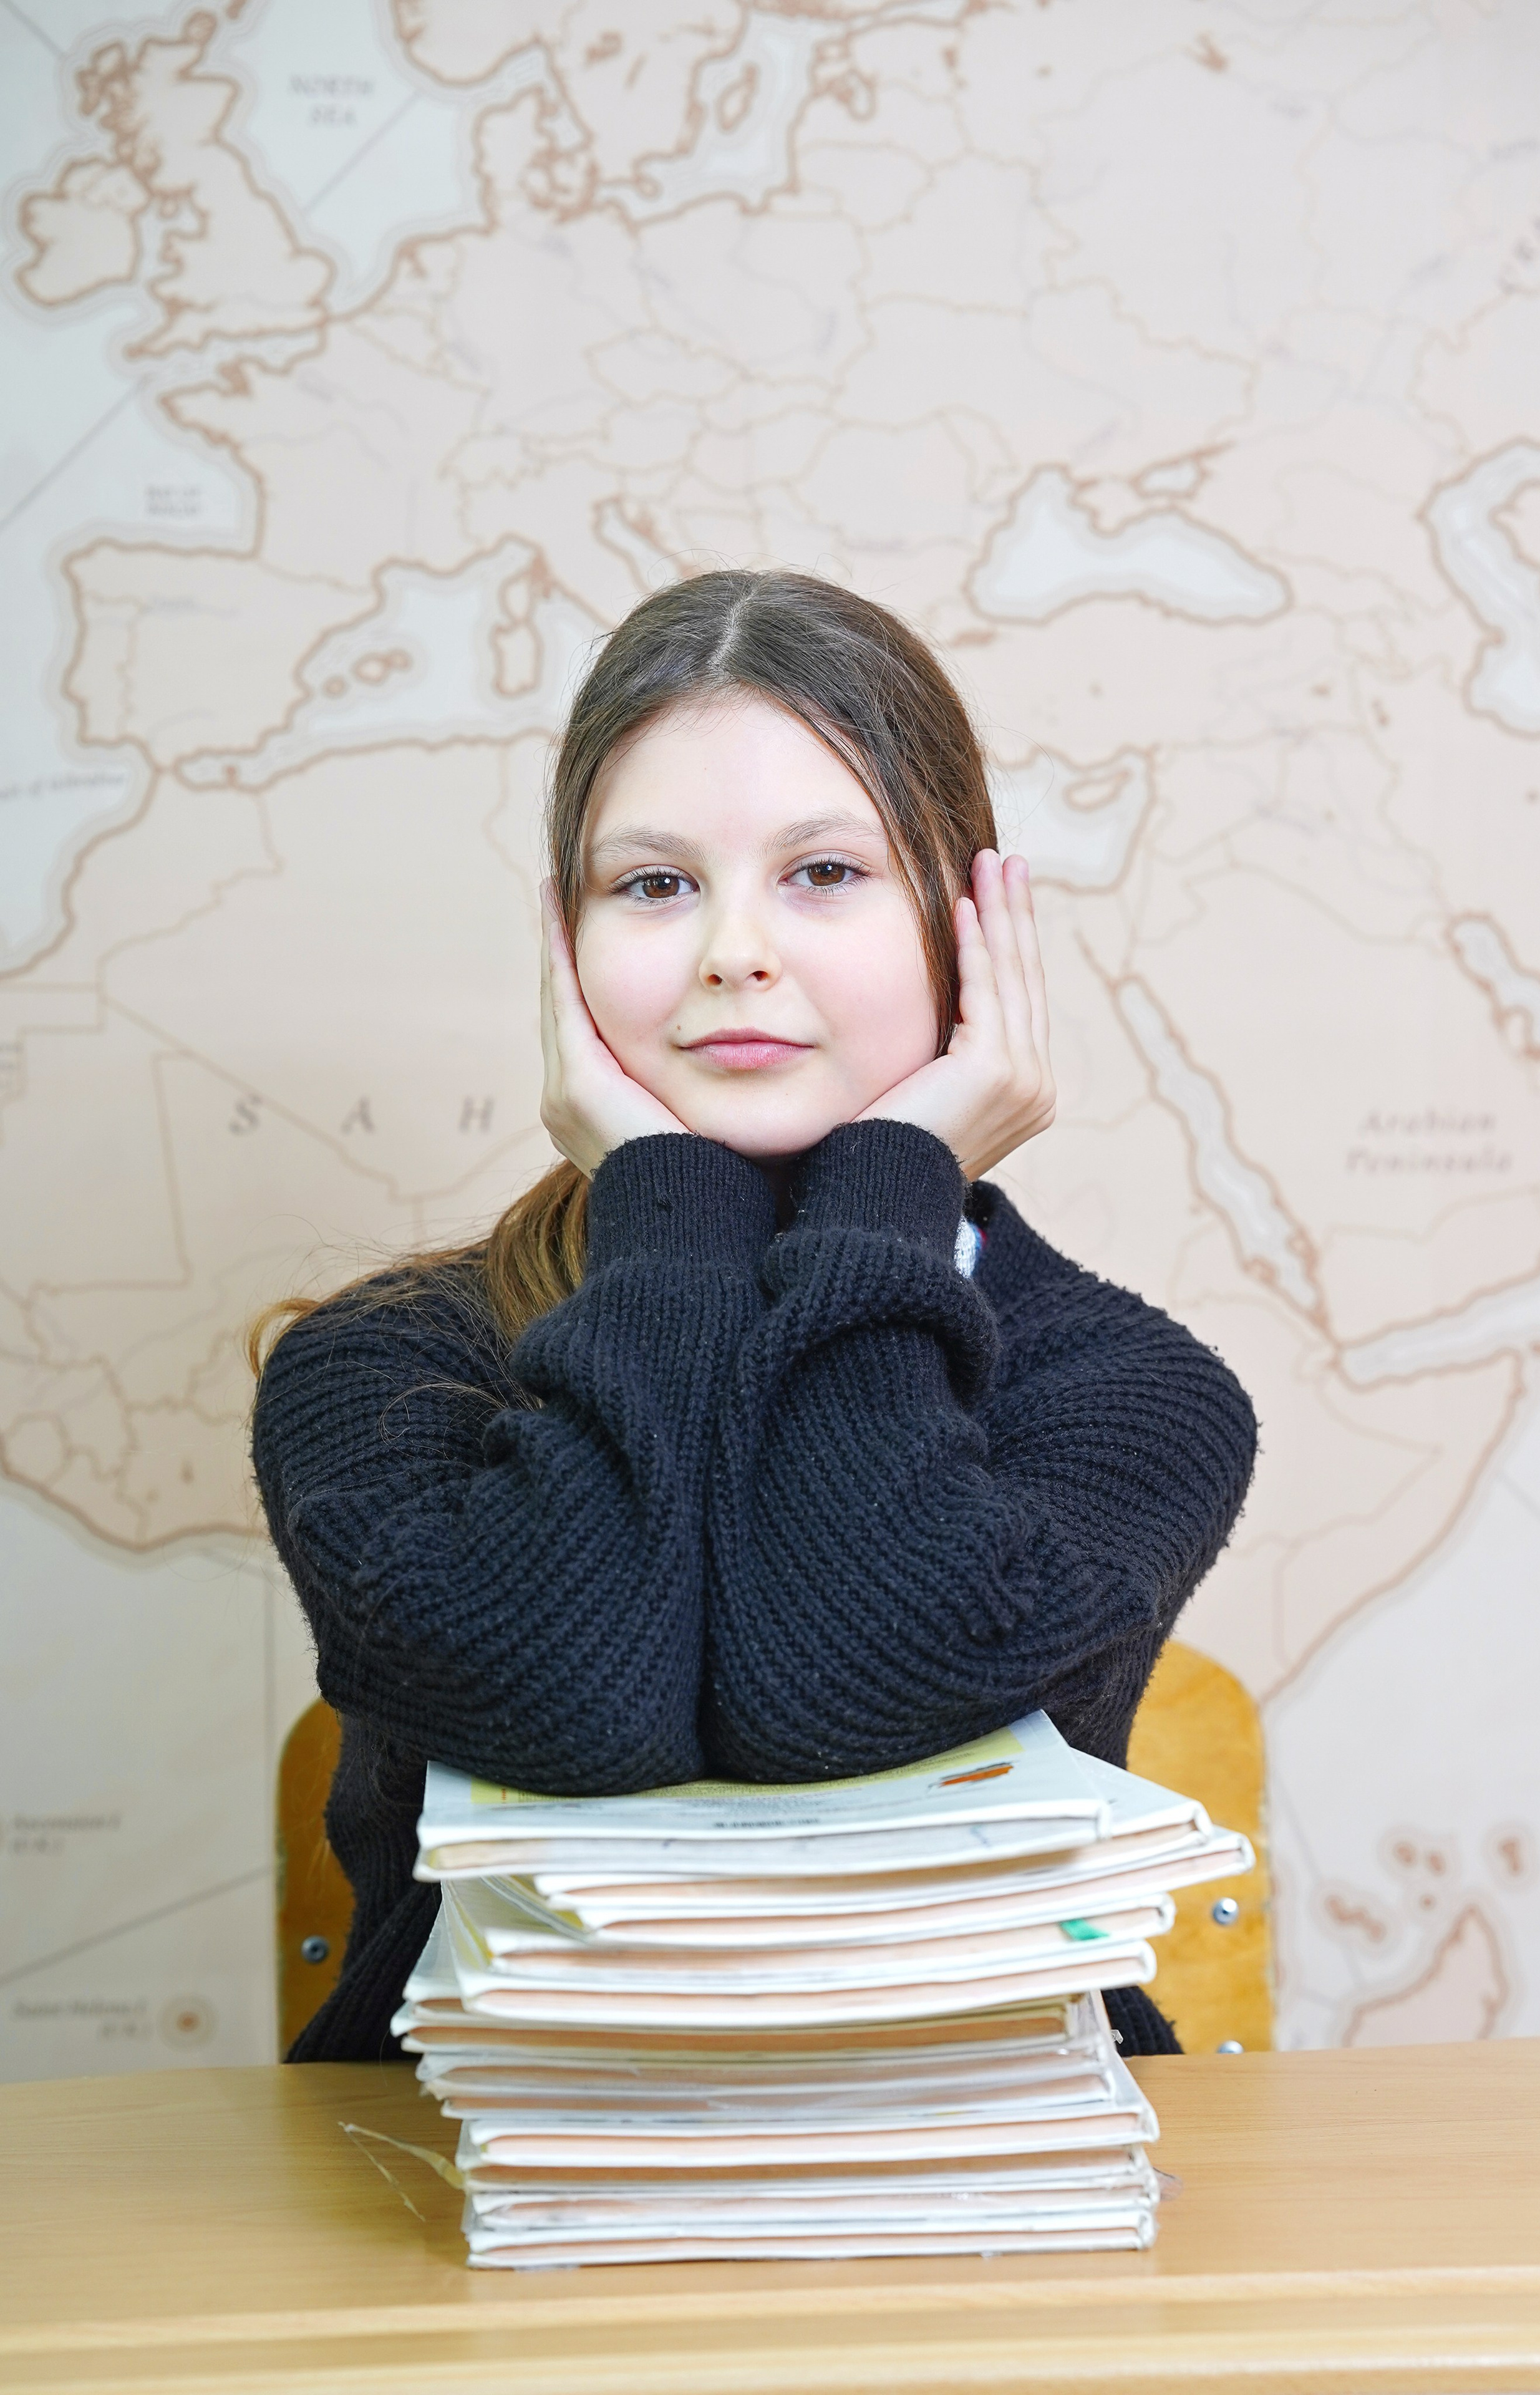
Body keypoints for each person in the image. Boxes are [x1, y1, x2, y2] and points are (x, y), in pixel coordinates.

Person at [251, 570, 1257, 2063]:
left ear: (966, 925)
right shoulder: (382, 1366)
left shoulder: (1129, 1389)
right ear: (563, 948)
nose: (734, 952)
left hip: (1005, 2202)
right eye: (652, 885)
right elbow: (574, 1705)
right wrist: (668, 1197)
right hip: (461, 2197)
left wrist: (888, 1187)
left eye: (825, 873)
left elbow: (840, 1694)